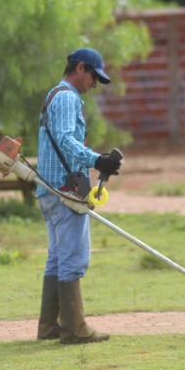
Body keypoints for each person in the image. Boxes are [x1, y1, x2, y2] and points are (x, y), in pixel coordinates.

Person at [34, 47, 123, 344]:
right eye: (94, 77)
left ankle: (49, 328)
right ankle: (75, 329)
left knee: (58, 260)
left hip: (48, 190)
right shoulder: (67, 97)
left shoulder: (53, 95)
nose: (94, 85)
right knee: (74, 259)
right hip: (64, 191)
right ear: (81, 68)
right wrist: (97, 160)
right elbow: (65, 139)